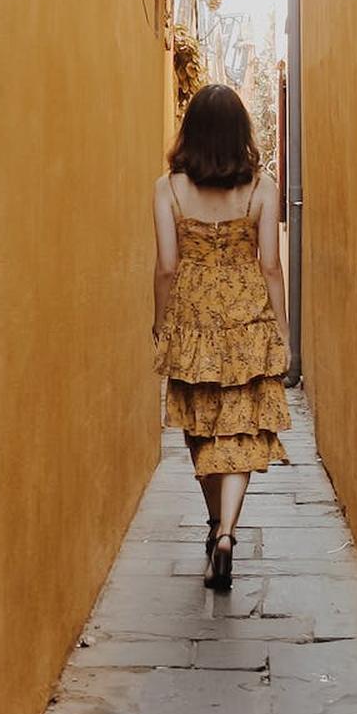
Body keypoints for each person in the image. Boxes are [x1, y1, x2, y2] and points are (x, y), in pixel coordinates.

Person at [152, 83, 291, 592]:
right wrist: (282, 331)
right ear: (240, 132)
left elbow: (167, 267)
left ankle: (213, 528)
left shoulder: (168, 189)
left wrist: (160, 321)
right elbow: (271, 266)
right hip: (246, 322)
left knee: (201, 426)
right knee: (240, 431)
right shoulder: (261, 187)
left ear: (192, 130)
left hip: (192, 322)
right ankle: (229, 533)